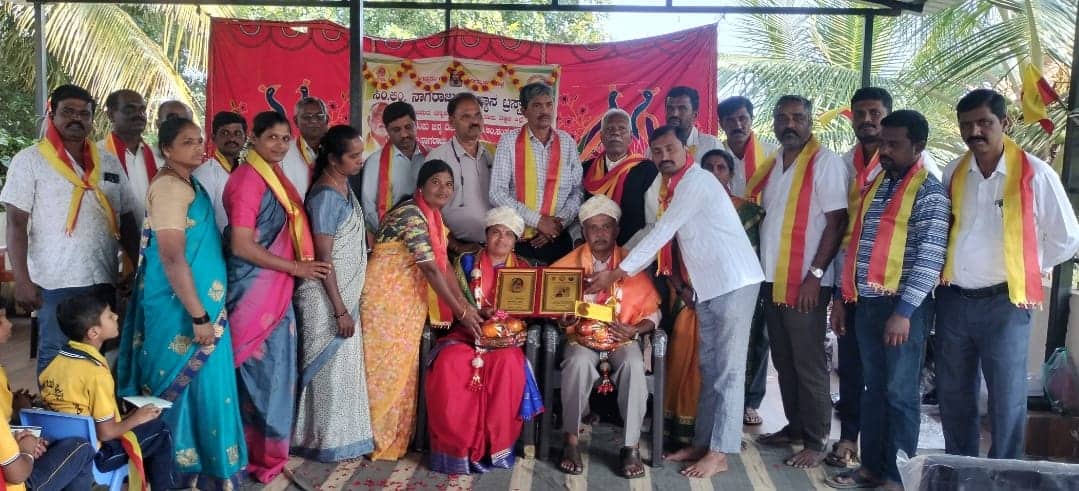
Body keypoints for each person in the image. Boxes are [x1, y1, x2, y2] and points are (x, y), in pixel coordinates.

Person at [590, 125, 764, 478]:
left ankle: (720, 452)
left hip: (734, 282)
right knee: (710, 368)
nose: (664, 156)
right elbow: (662, 232)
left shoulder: (696, 182)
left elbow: (662, 232)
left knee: (728, 371)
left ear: (686, 149)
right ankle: (703, 443)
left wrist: (616, 272)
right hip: (709, 287)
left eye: (670, 148)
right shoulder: (672, 187)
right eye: (656, 151)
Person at [937, 89, 1079, 459]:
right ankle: (959, 469)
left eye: (984, 122)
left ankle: (1004, 474)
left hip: (1006, 303)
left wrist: (1027, 265)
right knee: (954, 394)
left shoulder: (1036, 174)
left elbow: (1067, 238)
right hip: (954, 300)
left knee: (1005, 397)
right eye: (967, 125)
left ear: (1005, 122)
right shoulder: (954, 171)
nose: (974, 132)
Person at [116, 117, 248, 488]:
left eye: (199, 140)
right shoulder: (170, 188)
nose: (198, 147)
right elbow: (172, 256)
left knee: (206, 388)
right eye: (188, 141)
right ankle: (172, 472)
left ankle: (204, 471)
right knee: (179, 386)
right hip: (182, 311)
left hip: (201, 306)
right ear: (167, 149)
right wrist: (199, 315)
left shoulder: (189, 182)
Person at [825, 110, 950, 490]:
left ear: (918, 146)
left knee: (900, 394)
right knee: (874, 390)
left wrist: (904, 311)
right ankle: (871, 468)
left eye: (894, 145)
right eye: (883, 143)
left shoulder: (930, 193)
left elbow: (930, 257)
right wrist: (844, 297)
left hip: (902, 310)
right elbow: (856, 244)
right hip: (866, 304)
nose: (885, 151)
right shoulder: (877, 185)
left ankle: (897, 478)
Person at [0, 84, 140, 375]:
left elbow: (127, 218)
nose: (76, 118)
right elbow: (16, 224)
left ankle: (97, 406)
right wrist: (22, 280)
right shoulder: (30, 160)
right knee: (58, 359)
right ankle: (58, 407)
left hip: (103, 277)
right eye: (68, 112)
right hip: (55, 283)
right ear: (52, 115)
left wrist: (140, 267)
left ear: (92, 119)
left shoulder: (107, 161)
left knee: (101, 356)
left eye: (84, 113)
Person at [223, 110, 332, 482]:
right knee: (260, 378)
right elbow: (241, 245)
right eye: (272, 137)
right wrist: (296, 268)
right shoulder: (247, 180)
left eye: (286, 138)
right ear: (253, 138)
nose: (281, 145)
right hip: (254, 291)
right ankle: (251, 457)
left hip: (275, 291)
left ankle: (266, 455)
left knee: (275, 376)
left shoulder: (272, 176)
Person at [361, 160, 483, 461]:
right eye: (436, 182)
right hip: (385, 303)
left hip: (407, 303)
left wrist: (466, 306)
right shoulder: (411, 216)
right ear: (421, 186)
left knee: (402, 372)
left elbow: (445, 267)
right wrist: (461, 313)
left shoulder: (434, 219)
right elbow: (429, 268)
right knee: (384, 372)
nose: (443, 189)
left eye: (449, 184)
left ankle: (393, 441)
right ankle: (370, 439)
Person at [752, 95, 848, 469]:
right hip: (771, 278)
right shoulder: (774, 162)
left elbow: (836, 222)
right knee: (784, 359)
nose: (789, 124)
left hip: (807, 281)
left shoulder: (825, 163)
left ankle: (817, 439)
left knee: (808, 362)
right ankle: (795, 427)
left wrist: (816, 274)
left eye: (797, 117)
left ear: (810, 122)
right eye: (782, 118)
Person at [425, 206, 543, 474]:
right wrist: (475, 314)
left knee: (508, 366)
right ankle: (457, 450)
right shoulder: (466, 263)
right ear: (486, 236)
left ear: (516, 241)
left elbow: (533, 311)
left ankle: (494, 447)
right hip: (467, 334)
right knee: (449, 364)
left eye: (508, 234)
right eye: (496, 232)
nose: (501, 239)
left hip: (505, 341)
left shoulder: (525, 269)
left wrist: (512, 322)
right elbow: (452, 298)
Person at [551, 195, 660, 479]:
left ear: (617, 230)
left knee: (634, 364)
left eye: (606, 226)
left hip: (622, 337)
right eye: (593, 227)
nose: (600, 233)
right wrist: (564, 318)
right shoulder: (568, 264)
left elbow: (654, 313)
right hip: (582, 340)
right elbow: (554, 309)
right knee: (577, 363)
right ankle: (571, 441)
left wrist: (635, 330)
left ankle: (630, 446)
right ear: (583, 231)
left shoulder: (631, 263)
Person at [292, 125, 374, 462]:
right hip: (327, 299)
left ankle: (343, 438)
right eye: (353, 156)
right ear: (333, 160)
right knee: (328, 373)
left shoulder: (343, 186)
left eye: (360, 153)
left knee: (343, 371)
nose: (360, 160)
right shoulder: (325, 196)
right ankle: (320, 440)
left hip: (344, 295)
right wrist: (340, 310)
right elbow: (324, 260)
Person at [40, 296, 176, 490]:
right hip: (96, 455)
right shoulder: (96, 373)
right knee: (160, 431)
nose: (116, 316)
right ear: (93, 332)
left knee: (144, 425)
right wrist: (137, 418)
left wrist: (130, 417)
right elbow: (106, 433)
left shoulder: (53, 366)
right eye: (110, 316)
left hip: (59, 449)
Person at [693, 149, 769, 430]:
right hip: (701, 292)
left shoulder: (748, 212)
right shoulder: (692, 206)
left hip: (737, 292)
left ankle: (725, 441)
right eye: (708, 168)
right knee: (709, 366)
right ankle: (703, 437)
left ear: (731, 174)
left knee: (730, 368)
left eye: (721, 168)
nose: (714, 173)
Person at [0, 308, 96, 491]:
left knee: (50, 442)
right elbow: (17, 474)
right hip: (14, 483)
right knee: (81, 448)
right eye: (1, 320)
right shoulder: (97, 373)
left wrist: (21, 441)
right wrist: (26, 450)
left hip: (10, 454)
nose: (9, 324)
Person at [490, 82, 583, 264]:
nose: (544, 111)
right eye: (537, 105)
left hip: (558, 239)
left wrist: (557, 225)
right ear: (524, 111)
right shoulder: (509, 142)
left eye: (548, 105)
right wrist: (538, 221)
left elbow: (577, 191)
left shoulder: (567, 143)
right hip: (520, 240)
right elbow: (496, 193)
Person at [426, 93, 494, 254]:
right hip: (455, 250)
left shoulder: (494, 154)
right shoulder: (438, 158)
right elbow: (428, 210)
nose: (474, 121)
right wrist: (455, 245)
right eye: (466, 117)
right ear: (451, 122)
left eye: (478, 115)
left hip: (493, 249)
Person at [581, 108, 657, 245]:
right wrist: (578, 240)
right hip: (591, 248)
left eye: (622, 129)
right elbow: (577, 212)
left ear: (630, 137)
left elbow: (652, 221)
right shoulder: (585, 169)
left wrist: (630, 251)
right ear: (601, 137)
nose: (615, 133)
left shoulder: (647, 170)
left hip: (632, 250)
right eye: (610, 129)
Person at [356, 101, 429, 233]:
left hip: (430, 234)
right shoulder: (374, 162)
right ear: (387, 130)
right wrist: (393, 233)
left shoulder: (431, 157)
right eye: (396, 130)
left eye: (408, 127)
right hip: (392, 237)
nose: (404, 134)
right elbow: (369, 210)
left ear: (416, 124)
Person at [100, 89, 158, 226]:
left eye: (142, 110)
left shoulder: (159, 157)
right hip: (114, 235)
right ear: (111, 115)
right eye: (129, 109)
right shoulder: (97, 155)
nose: (138, 115)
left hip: (156, 236)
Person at [194, 111, 247, 232]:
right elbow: (200, 219)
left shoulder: (245, 172)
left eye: (237, 133)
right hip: (216, 241)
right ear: (213, 138)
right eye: (225, 133)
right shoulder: (205, 174)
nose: (232, 138)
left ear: (245, 138)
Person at [718, 96, 778, 198]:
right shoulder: (715, 155)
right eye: (730, 120)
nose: (737, 125)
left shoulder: (772, 153)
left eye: (742, 119)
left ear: (751, 120)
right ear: (721, 124)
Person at [282, 96, 330, 197]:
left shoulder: (336, 150)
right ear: (296, 121)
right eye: (307, 117)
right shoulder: (284, 152)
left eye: (319, 116)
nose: (314, 121)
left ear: (327, 120)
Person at [665, 86, 718, 161]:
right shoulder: (657, 146)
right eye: (670, 108)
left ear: (694, 115)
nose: (674, 114)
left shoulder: (711, 145)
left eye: (682, 109)